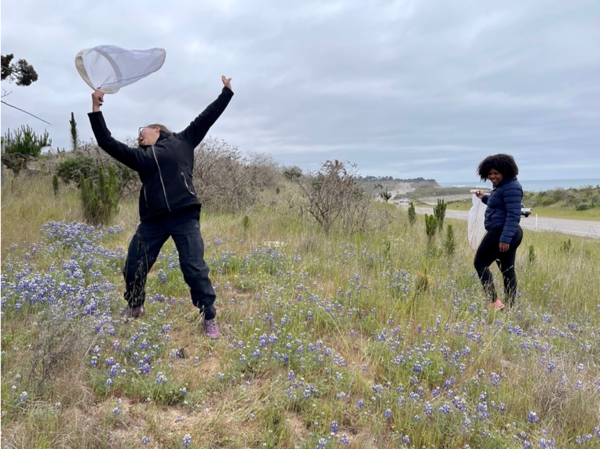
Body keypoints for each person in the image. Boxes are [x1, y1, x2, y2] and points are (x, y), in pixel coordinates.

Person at [88, 76, 234, 338]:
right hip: (153, 220)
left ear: (156, 128)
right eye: (136, 138)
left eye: (140, 133)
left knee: (193, 268)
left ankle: (209, 315)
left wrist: (225, 92)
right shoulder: (140, 158)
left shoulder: (184, 140)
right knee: (134, 265)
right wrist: (96, 107)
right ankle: (135, 306)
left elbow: (207, 117)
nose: (137, 138)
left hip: (184, 216)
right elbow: (106, 142)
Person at [474, 154, 523, 310]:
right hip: (507, 233)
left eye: (496, 173)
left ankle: (494, 302)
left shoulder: (512, 187)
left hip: (502, 233)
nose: (492, 176)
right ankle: (509, 306)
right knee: (507, 270)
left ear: (506, 171)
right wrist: (484, 197)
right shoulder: (503, 187)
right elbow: (498, 204)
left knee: (480, 264)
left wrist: (505, 239)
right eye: (489, 174)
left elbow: (513, 214)